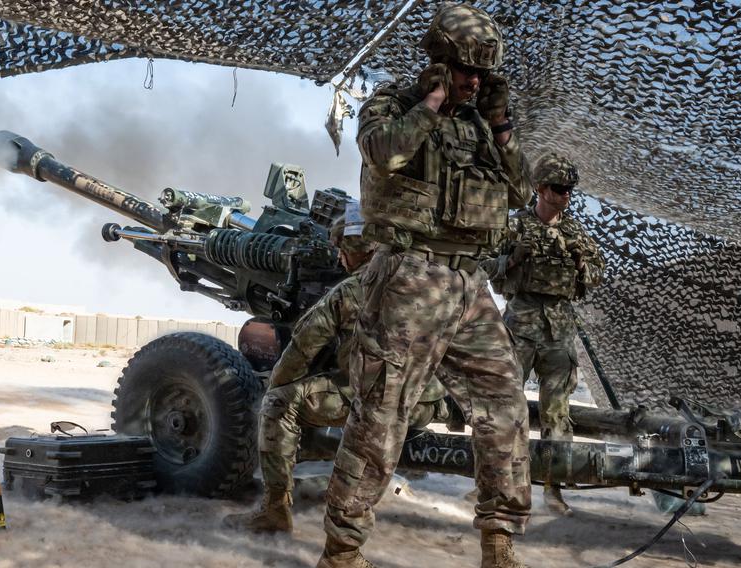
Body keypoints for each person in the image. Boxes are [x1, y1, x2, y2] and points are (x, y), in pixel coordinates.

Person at [317, 4, 533, 568]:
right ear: (439, 64)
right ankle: (342, 552)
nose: (475, 81)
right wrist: (432, 104)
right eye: (465, 70)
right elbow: (383, 153)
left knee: (505, 408)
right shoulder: (396, 103)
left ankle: (499, 539)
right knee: (382, 415)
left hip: (470, 283)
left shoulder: (482, 125)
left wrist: (503, 127)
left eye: (482, 74)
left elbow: (519, 193)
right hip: (412, 278)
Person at [223, 205, 448, 534]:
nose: (340, 258)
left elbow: (299, 351)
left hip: (375, 406)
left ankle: (274, 511)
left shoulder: (352, 290)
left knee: (278, 404)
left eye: (343, 250)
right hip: (423, 404)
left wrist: (274, 387)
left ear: (356, 249)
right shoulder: (432, 285)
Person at [485, 153, 605, 516]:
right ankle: (497, 486)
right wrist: (512, 261)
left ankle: (553, 489)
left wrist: (584, 266)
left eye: (569, 189)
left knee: (557, 412)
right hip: (521, 322)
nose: (565, 195)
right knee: (506, 407)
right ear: (539, 188)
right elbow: (485, 264)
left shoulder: (576, 234)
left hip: (559, 328)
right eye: (558, 188)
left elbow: (597, 274)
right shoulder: (514, 228)